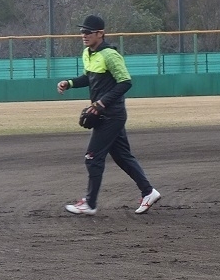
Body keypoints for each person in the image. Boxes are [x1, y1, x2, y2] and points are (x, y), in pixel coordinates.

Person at [56, 15, 161, 216]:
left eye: (88, 32)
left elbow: (125, 81)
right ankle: (148, 192)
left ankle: (90, 203)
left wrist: (102, 102)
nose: (84, 35)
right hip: (104, 114)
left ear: (100, 34)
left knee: (92, 157)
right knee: (122, 156)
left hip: (112, 114)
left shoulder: (110, 55)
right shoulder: (88, 53)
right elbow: (89, 77)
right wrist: (69, 83)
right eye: (82, 32)